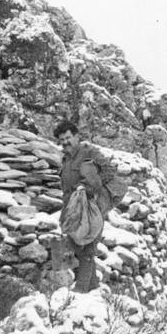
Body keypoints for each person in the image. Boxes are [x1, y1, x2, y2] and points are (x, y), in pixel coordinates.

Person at [54, 120, 118, 292]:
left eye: (68, 137)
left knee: (87, 248)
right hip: (73, 209)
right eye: (62, 139)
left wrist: (90, 187)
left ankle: (81, 291)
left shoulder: (89, 152)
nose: (65, 142)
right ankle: (95, 289)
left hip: (92, 208)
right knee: (78, 246)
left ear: (76, 136)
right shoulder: (65, 159)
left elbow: (110, 171)